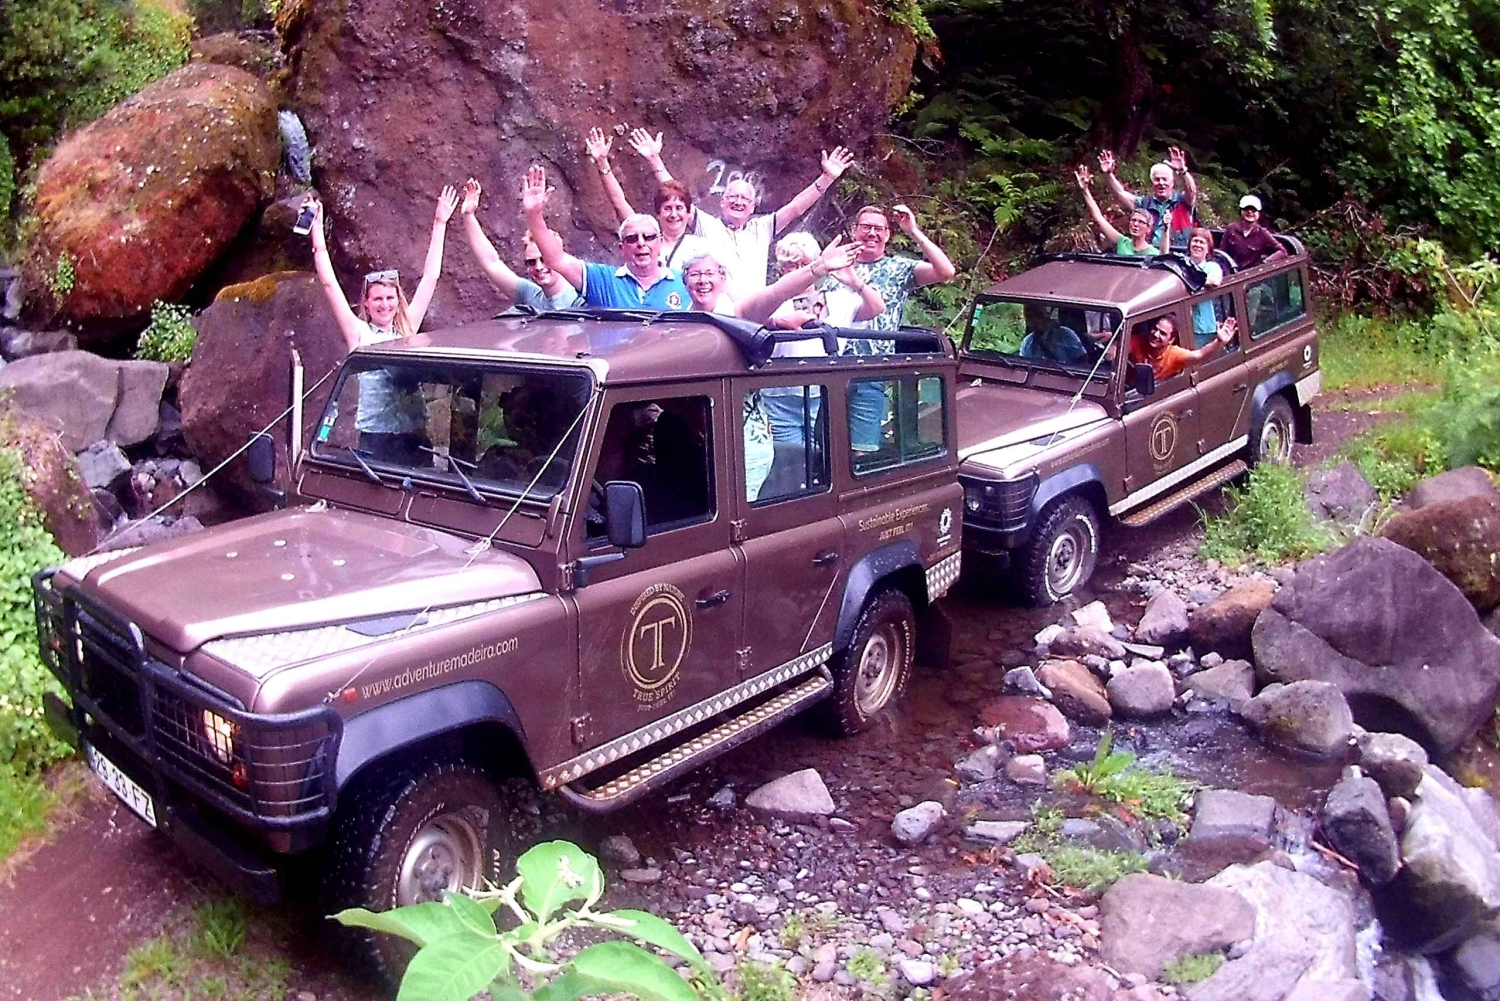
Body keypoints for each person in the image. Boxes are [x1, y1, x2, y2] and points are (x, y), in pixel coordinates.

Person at [305, 188, 458, 464]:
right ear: (366, 301)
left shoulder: (407, 326)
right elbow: (329, 284)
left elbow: (431, 277)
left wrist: (440, 223)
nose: (384, 305)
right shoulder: (358, 333)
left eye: (390, 298)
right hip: (375, 435)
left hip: (413, 432)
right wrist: (317, 234)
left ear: (398, 300)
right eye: (378, 299)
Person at [626, 127, 855, 298]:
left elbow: (796, 208)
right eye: (732, 196)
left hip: (755, 313)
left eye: (745, 198)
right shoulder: (707, 225)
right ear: (722, 201)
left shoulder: (762, 228)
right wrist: (654, 159)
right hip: (718, 314)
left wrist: (826, 178)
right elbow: (677, 196)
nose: (738, 201)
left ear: (754, 206)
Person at [519, 165, 690, 310]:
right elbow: (557, 259)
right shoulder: (603, 281)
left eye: (648, 237)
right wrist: (534, 215)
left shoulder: (686, 283)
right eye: (632, 238)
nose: (640, 243)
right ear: (621, 247)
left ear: (660, 242)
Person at [585, 128, 712, 272]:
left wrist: (654, 159)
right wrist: (602, 163)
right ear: (658, 213)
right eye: (667, 208)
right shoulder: (646, 240)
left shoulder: (703, 247)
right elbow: (619, 202)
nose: (673, 214)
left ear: (689, 212)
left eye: (679, 208)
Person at [845, 203, 957, 352]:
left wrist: (913, 231)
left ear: (887, 235)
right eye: (866, 227)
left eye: (879, 229)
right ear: (854, 231)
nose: (872, 233)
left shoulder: (899, 268)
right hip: (833, 360)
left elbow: (946, 271)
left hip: (875, 365)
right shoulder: (837, 265)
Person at [458, 178, 580, 311]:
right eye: (531, 262)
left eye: (544, 260)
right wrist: (468, 216)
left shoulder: (581, 298)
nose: (538, 267)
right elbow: (491, 263)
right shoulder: (530, 296)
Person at [681, 237, 861, 323]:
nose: (703, 280)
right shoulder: (679, 319)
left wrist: (816, 269)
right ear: (684, 281)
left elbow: (777, 292)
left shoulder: (737, 311)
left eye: (709, 273)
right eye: (695, 274)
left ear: (722, 278)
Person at [1097, 147, 1198, 250]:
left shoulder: (1183, 201)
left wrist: (1183, 171)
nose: (1161, 183)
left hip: (1178, 255)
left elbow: (1192, 191)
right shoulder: (1144, 203)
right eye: (1157, 179)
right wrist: (1108, 174)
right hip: (1150, 255)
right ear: (1152, 183)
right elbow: (1120, 193)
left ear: (1172, 183)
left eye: (1164, 179)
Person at [1077, 166, 1167, 256]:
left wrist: (1167, 227)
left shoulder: (1154, 253)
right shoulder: (1122, 242)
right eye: (1134, 220)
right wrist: (1085, 191)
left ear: (1149, 229)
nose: (1136, 224)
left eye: (1141, 222)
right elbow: (1098, 217)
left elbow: (1164, 256)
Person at [1129, 314, 1238, 382]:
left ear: (1171, 340)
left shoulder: (1174, 354)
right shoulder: (1138, 341)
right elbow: (1115, 349)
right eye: (1155, 329)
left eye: (1162, 333)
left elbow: (1199, 355)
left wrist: (1219, 341)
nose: (1156, 334)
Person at [1221, 194, 1288, 270]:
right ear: (1241, 211)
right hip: (1231, 273)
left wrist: (1265, 263)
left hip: (1251, 276)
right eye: (1246, 209)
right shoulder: (1231, 229)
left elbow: (1282, 251)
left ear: (1258, 213)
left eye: (1253, 210)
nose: (1250, 212)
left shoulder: (1262, 233)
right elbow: (1222, 253)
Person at [1184, 228, 1226, 346]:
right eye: (1195, 241)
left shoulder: (1212, 266)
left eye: (1202, 242)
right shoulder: (1182, 263)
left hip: (1203, 327)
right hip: (1182, 323)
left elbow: (1215, 281)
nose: (1197, 245)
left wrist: (1190, 279)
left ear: (1208, 248)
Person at [1018, 302, 1089, 365]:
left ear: (1045, 315)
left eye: (1036, 316)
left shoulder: (1066, 334)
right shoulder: (1028, 342)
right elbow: (1022, 364)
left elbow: (1083, 360)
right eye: (1029, 317)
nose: (1033, 321)